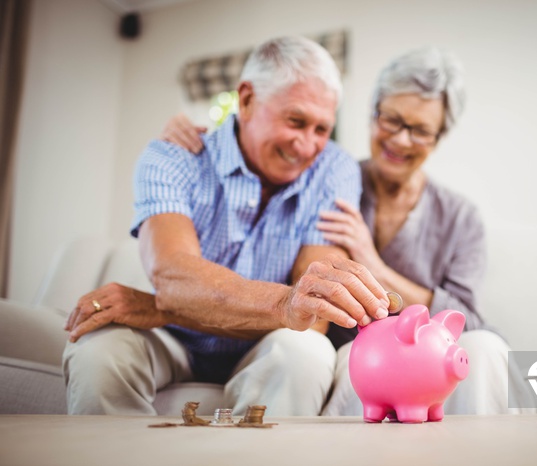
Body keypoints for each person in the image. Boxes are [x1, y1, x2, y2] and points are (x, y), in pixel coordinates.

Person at [163, 46, 532, 416]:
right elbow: (258, 157)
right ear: (373, 114)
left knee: (485, 346)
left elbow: (469, 320)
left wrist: (373, 263)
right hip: (354, 354)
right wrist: (204, 142)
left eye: (420, 130)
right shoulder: (329, 180)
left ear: (439, 137)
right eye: (391, 120)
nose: (401, 140)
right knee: (343, 362)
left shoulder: (460, 217)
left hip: (434, 359)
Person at [62, 36, 392, 417]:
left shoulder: (334, 169)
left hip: (266, 346)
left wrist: (161, 306)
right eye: (295, 121)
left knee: (307, 350)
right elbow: (175, 277)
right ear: (247, 99)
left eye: (321, 129)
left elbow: (314, 314)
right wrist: (283, 302)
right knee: (99, 349)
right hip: (173, 341)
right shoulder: (172, 156)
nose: (306, 145)